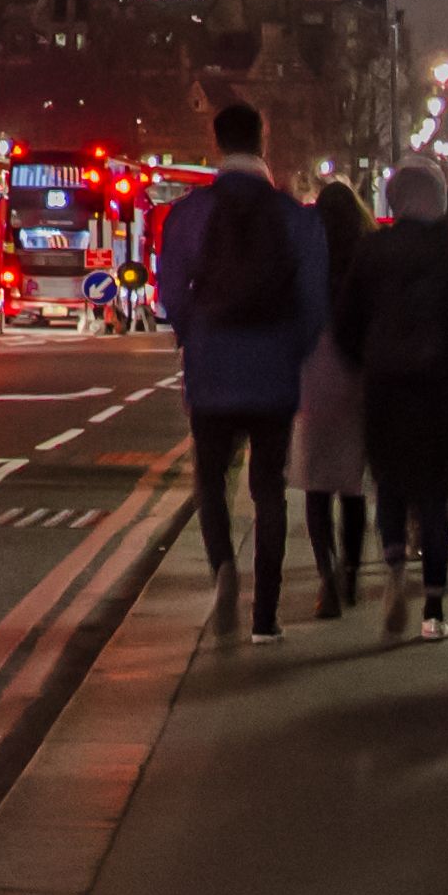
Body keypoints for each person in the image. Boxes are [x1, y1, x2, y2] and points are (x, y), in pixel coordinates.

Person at [159, 97, 330, 645]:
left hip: (213, 367)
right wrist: (294, 351)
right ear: (264, 139)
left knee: (211, 480)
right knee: (269, 489)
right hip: (274, 368)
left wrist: (193, 339)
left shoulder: (189, 213)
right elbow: (313, 300)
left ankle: (223, 569)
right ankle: (267, 618)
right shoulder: (294, 217)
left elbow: (171, 292)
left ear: (217, 144)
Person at [348, 161, 448, 639]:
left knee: (390, 485)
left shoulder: (371, 253)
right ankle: (433, 610)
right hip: (439, 394)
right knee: (435, 497)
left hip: (386, 391)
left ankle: (394, 569)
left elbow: (346, 322)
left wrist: (366, 359)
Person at [296, 180, 374, 618]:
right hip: (357, 369)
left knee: (316, 483)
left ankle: (326, 575)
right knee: (352, 483)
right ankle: (352, 572)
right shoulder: (367, 253)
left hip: (316, 368)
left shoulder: (309, 256)